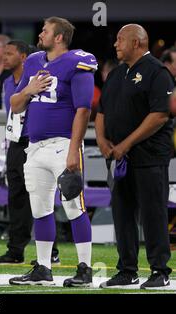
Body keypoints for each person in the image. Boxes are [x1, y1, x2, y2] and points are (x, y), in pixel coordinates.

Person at [8, 17, 96, 287]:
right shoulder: (34, 61)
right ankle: (43, 269)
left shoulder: (77, 62)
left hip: (63, 145)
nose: (41, 34)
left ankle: (85, 269)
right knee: (40, 208)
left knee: (73, 206)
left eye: (46, 30)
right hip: (34, 146)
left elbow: (83, 109)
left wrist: (73, 150)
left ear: (59, 37)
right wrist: (29, 90)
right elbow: (15, 104)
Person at [96, 24, 174, 289]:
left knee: (153, 214)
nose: (116, 44)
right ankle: (127, 270)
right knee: (123, 213)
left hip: (149, 155)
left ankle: (160, 271)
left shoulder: (157, 72)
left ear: (138, 43)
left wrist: (126, 144)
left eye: (121, 40)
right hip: (119, 158)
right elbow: (102, 111)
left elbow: (160, 115)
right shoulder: (117, 74)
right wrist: (103, 141)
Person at [0, 40, 61, 265]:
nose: (4, 57)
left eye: (9, 54)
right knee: (16, 197)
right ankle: (15, 250)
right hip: (16, 141)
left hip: (35, 141)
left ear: (24, 58)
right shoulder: (8, 81)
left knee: (41, 196)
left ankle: (52, 251)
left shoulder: (38, 78)